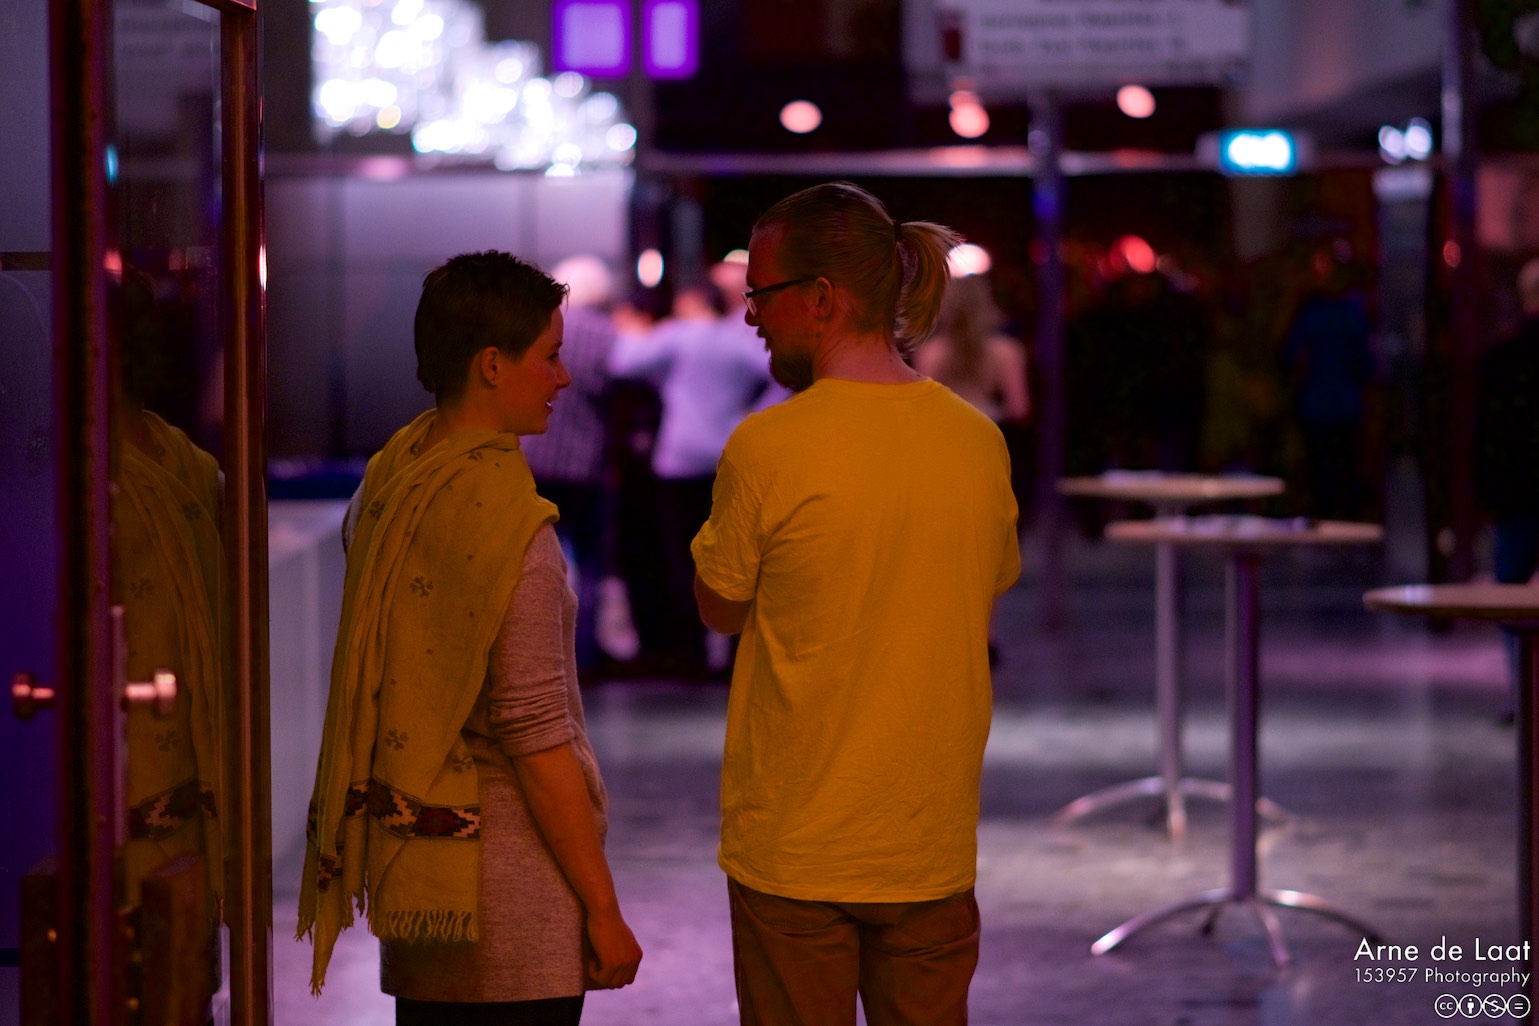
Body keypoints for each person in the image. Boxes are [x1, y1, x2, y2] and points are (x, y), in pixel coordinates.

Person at [690, 182, 1021, 1025]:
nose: (750, 315)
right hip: (927, 839)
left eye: (761, 292)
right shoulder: (976, 441)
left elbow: (719, 609)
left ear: (821, 298)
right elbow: (986, 585)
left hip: (796, 844)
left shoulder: (768, 446)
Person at [298, 251, 642, 1023]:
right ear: (492, 364)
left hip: (420, 873)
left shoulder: (390, 479)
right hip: (512, 901)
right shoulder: (513, 532)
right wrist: (602, 907)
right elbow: (535, 733)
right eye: (549, 356)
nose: (563, 377)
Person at [608, 279, 777, 676]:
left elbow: (622, 363)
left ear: (694, 301)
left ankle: (693, 652)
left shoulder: (678, 335)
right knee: (734, 556)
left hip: (679, 458)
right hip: (727, 454)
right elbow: (777, 375)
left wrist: (633, 329)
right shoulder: (736, 339)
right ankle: (733, 652)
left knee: (682, 557)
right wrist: (755, 414)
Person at [520, 255, 620, 676]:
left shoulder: (536, 328)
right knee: (591, 561)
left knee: (536, 561)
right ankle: (585, 654)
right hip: (585, 465)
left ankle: (540, 650)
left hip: (534, 460)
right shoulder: (607, 334)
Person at [1475, 256, 1539, 719]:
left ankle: (1523, 693)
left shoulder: (1501, 358)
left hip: (1515, 497)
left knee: (1511, 599)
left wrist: (1489, 496)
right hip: (1517, 495)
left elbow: (1486, 436)